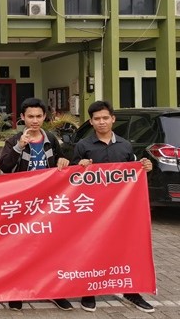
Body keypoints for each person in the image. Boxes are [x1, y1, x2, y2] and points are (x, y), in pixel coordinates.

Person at [71, 100, 154, 313]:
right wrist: (79, 166)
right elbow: (71, 178)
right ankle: (88, 291)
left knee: (127, 248)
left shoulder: (125, 146)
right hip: (92, 210)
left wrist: (145, 167)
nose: (102, 122)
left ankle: (131, 291)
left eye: (105, 118)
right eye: (97, 119)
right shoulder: (83, 146)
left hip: (121, 211)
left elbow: (134, 172)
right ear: (91, 121)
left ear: (113, 119)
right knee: (92, 248)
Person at [0, 98, 73, 311]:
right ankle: (18, 291)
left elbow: (61, 161)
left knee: (50, 249)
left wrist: (63, 162)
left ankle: (54, 291)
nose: (34, 120)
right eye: (30, 116)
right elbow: (4, 166)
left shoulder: (51, 139)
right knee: (20, 249)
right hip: (22, 205)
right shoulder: (14, 140)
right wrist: (19, 146)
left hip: (48, 204)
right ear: (22, 117)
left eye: (39, 116)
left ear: (44, 117)